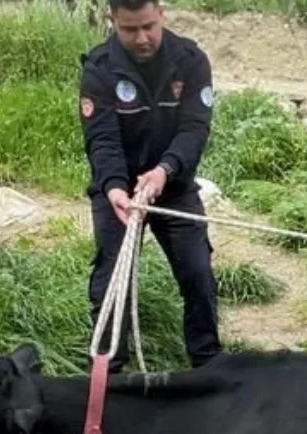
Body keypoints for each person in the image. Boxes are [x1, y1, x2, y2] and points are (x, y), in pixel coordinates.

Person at [78, 0, 220, 372]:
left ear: (161, 14)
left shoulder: (190, 61)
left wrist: (164, 171)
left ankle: (208, 366)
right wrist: (113, 189)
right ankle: (108, 377)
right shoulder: (100, 68)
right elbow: (102, 140)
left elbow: (194, 129)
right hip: (119, 192)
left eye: (147, 27)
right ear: (114, 22)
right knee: (112, 281)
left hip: (172, 184)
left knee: (198, 272)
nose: (141, 38)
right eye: (129, 30)